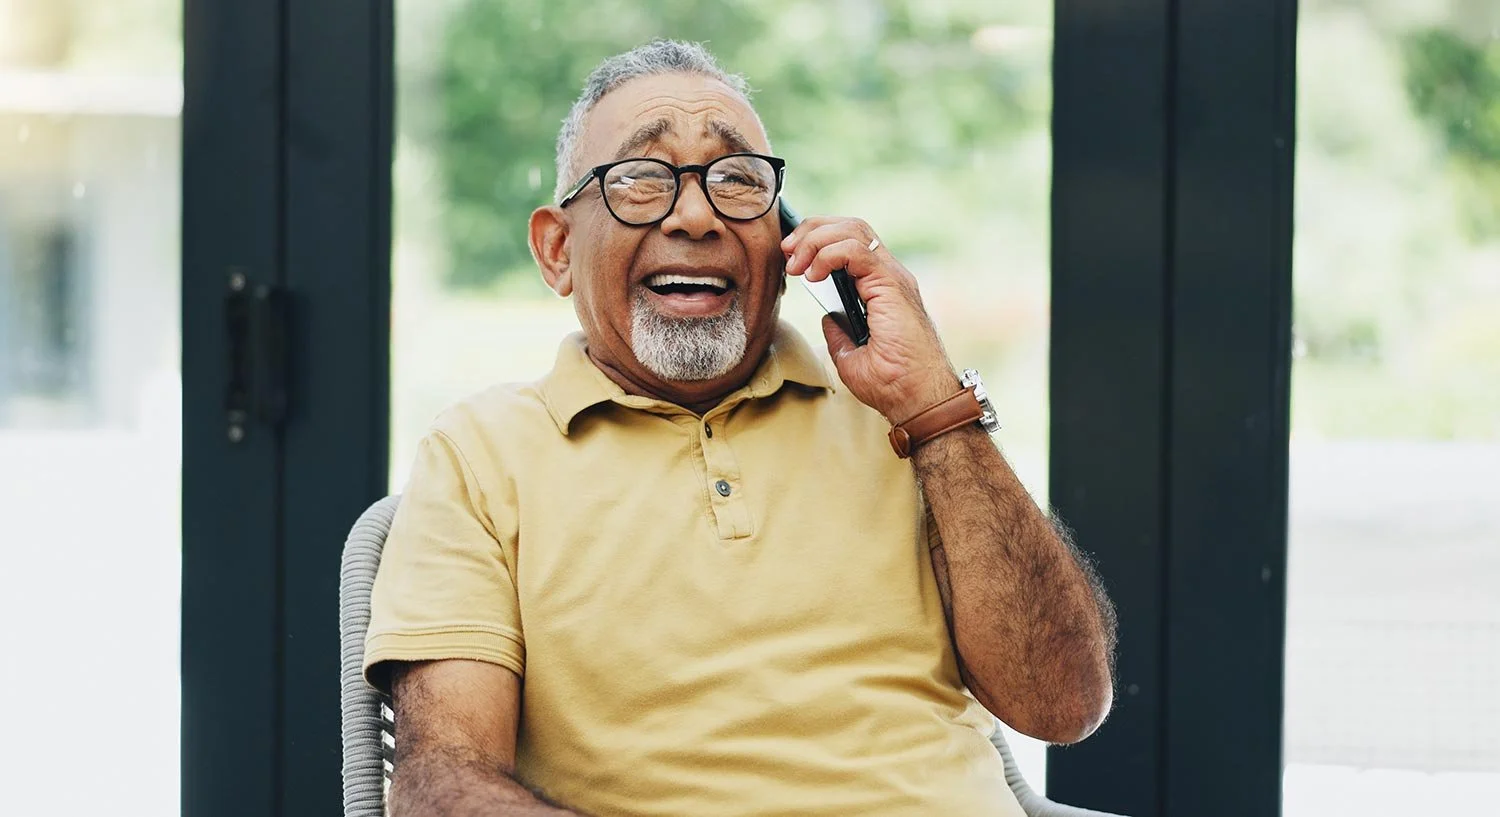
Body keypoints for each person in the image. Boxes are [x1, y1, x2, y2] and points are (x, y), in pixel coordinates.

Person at [365, 39, 1117, 817]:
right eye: (641, 179)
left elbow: (1062, 704)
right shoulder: (478, 456)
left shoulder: (905, 423)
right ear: (557, 249)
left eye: (737, 180)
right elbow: (441, 788)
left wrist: (936, 408)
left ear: (785, 239)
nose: (696, 215)